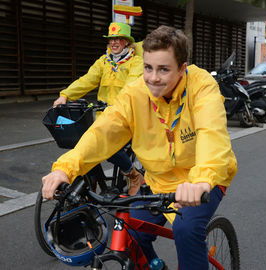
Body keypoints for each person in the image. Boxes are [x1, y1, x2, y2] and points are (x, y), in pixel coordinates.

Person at [42, 25, 237, 270]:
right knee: (128, 233)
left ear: (182, 69)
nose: (153, 78)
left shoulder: (201, 86)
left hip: (203, 179)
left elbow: (212, 133)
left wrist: (202, 180)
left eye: (163, 69)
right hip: (157, 182)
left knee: (186, 231)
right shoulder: (135, 92)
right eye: (148, 67)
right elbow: (104, 131)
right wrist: (65, 169)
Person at [53, 22, 144, 195]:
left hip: (126, 116)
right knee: (85, 143)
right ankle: (91, 181)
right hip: (103, 116)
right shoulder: (104, 61)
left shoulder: (136, 62)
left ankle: (133, 175)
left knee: (107, 147)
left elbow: (130, 87)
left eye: (118, 39)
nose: (114, 43)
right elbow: (88, 80)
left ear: (126, 42)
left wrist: (117, 105)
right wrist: (65, 95)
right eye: (111, 39)